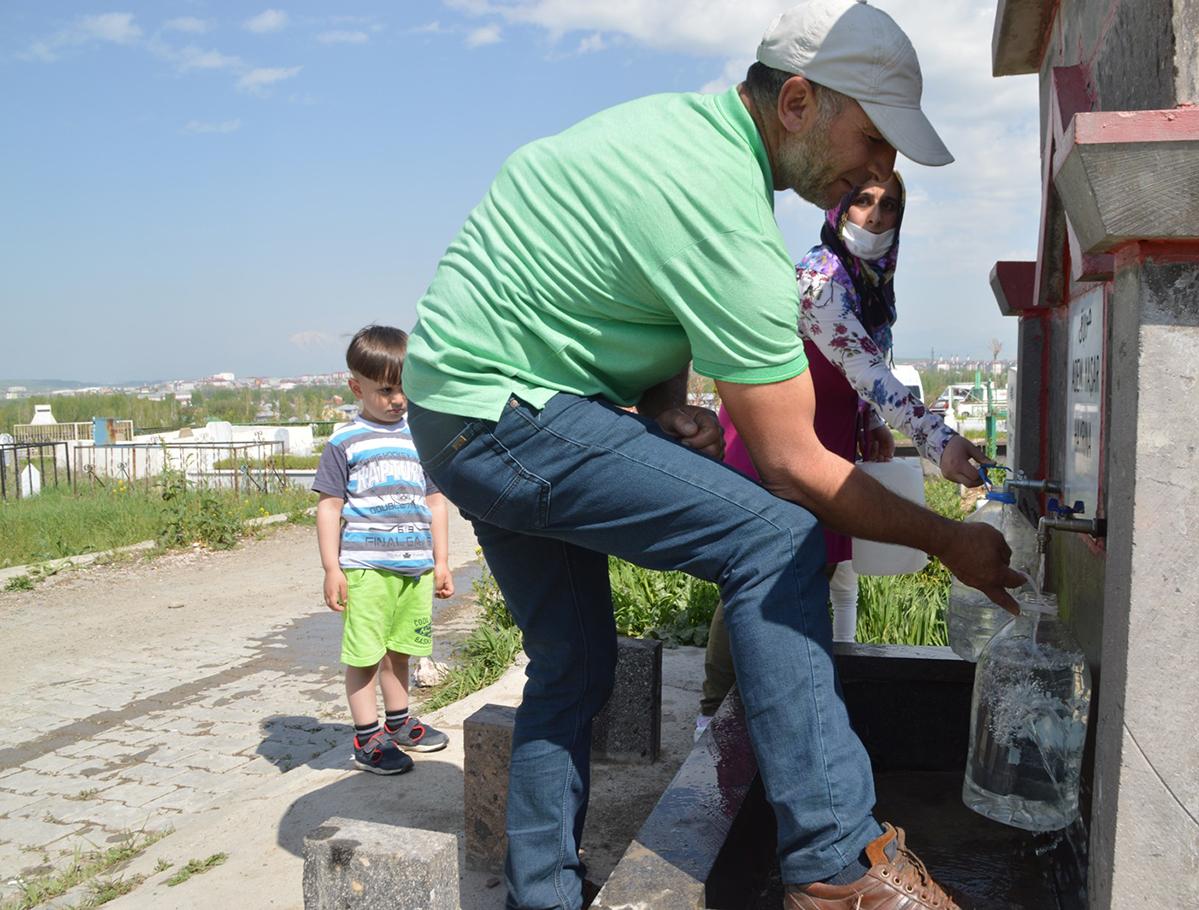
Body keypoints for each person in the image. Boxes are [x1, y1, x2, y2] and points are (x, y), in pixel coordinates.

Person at [404, 2, 1024, 906]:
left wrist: (662, 406)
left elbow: (619, 288)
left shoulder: (677, 135)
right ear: (799, 102)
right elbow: (792, 466)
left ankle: (542, 895)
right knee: (777, 537)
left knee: (574, 660)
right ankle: (836, 863)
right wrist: (950, 541)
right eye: (873, 138)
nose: (880, 169)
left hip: (460, 407)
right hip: (510, 413)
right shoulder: (723, 210)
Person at [698, 172, 975, 729]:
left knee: (815, 568)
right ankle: (715, 711)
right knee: (760, 569)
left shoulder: (871, 282)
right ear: (839, 209)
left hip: (827, 435)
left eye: (889, 205)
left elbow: (864, 367)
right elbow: (865, 367)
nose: (876, 215)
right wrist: (938, 442)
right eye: (863, 201)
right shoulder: (822, 277)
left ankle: (771, 700)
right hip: (774, 435)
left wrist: (869, 421)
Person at [313, 325, 455, 775]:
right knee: (366, 656)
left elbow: (435, 502)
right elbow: (329, 507)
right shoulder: (344, 442)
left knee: (401, 651)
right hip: (366, 570)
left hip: (415, 569)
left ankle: (399, 723)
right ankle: (367, 737)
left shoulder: (420, 437)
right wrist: (331, 568)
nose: (397, 399)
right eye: (386, 390)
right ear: (357, 388)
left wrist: (442, 561)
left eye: (404, 388)